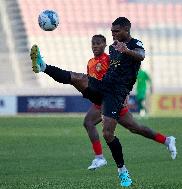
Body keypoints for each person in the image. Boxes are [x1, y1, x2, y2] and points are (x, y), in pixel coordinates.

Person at [30, 17, 156, 187]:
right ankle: (43, 66)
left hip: (116, 94)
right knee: (77, 78)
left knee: (107, 133)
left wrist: (127, 51)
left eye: (116, 31)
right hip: (104, 85)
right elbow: (114, 69)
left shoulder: (134, 44)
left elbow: (141, 56)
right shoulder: (113, 47)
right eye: (111, 31)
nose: (113, 34)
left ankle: (123, 171)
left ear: (126, 30)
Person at [84, 35, 177, 171]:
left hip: (113, 99)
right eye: (93, 43)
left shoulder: (109, 59)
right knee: (135, 128)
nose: (95, 46)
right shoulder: (90, 62)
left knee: (90, 122)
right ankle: (167, 140)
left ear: (104, 45)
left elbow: (122, 76)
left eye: (98, 43)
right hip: (101, 99)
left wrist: (125, 93)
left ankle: (99, 158)